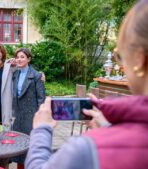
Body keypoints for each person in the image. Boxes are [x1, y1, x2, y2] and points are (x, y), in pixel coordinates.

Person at [25, 1, 148, 168]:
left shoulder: (86, 149)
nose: (121, 66)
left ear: (139, 60)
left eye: (120, 57)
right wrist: (107, 127)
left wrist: (41, 131)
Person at [12, 48, 46, 169]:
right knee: (19, 148)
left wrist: (39, 117)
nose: (19, 59)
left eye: (22, 57)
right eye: (17, 57)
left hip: (31, 116)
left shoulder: (37, 76)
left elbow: (41, 98)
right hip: (17, 116)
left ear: (29, 59)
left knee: (29, 148)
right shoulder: (15, 73)